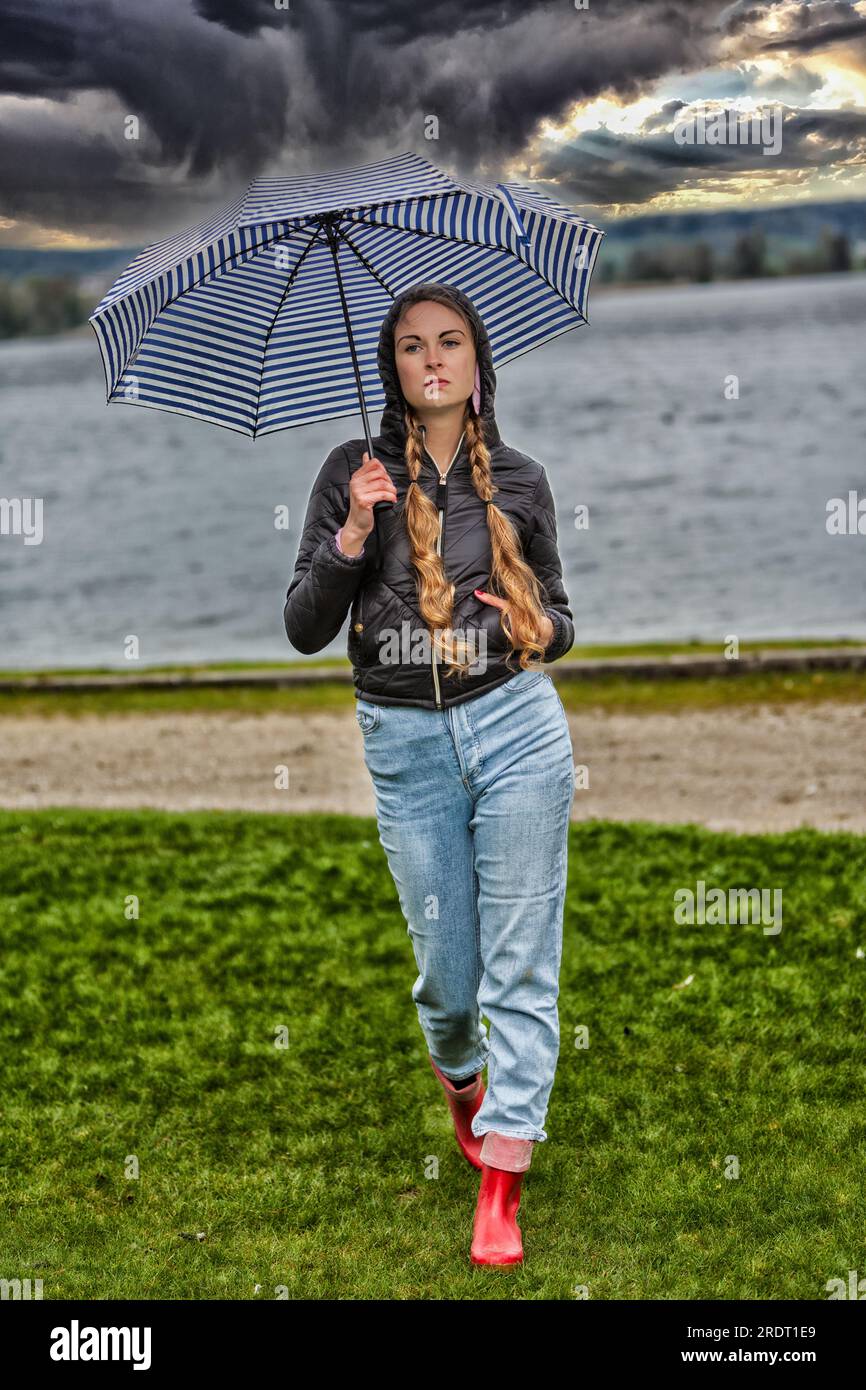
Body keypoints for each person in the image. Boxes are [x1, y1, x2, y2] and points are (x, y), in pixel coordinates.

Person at [283, 281, 576, 1267]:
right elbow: (302, 628)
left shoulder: (523, 482)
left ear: (477, 361)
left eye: (449, 342)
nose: (432, 360)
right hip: (404, 746)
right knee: (449, 986)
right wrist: (350, 541)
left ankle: (502, 1180)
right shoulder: (349, 473)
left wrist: (541, 626)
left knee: (521, 959)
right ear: (393, 368)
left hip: (517, 731)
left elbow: (563, 616)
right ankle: (463, 1081)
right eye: (411, 347)